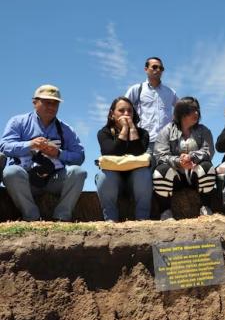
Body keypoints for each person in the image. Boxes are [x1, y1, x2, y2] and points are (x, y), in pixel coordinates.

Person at [0, 85, 86, 221]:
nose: (52, 107)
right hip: (25, 180)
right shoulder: (18, 122)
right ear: (35, 102)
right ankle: (31, 216)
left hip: (54, 180)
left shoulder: (66, 129)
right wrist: (30, 145)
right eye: (47, 102)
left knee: (78, 172)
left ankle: (62, 217)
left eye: (55, 103)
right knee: (11, 172)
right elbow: (4, 146)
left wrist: (59, 154)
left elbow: (79, 156)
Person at [153, 96, 216, 220]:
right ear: (182, 113)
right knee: (160, 171)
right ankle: (165, 212)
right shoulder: (166, 131)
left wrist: (191, 157)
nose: (196, 113)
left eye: (197, 110)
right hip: (176, 177)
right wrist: (178, 161)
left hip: (195, 175)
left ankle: (205, 208)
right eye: (192, 110)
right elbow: (160, 155)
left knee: (208, 167)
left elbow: (209, 151)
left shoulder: (204, 130)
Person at [95, 96, 152, 222]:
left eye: (130, 111)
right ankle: (110, 219)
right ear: (112, 114)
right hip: (114, 181)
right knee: (103, 175)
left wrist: (132, 129)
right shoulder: (104, 133)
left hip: (135, 182)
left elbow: (138, 152)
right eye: (121, 111)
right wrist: (124, 130)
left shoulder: (143, 133)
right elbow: (111, 152)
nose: (126, 114)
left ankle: (142, 218)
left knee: (144, 173)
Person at [125, 57, 178, 153]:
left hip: (167, 143)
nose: (158, 70)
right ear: (146, 69)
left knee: (166, 168)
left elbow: (182, 110)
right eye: (154, 67)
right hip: (144, 142)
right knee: (144, 168)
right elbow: (122, 108)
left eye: (161, 68)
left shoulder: (170, 92)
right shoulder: (136, 89)